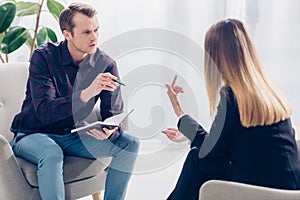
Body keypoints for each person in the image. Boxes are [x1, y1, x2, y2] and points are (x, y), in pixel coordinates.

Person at [10, 2, 139, 200]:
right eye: (86, 32)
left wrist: (111, 128)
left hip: (73, 134)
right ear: (67, 34)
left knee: (129, 144)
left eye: (96, 30)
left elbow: (111, 114)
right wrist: (87, 93)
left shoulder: (105, 64)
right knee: (52, 153)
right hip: (32, 133)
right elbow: (45, 111)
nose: (94, 37)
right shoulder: (43, 58)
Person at [162, 18, 300, 200]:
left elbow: (208, 151)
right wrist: (189, 135)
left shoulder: (232, 96)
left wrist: (180, 114)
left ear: (215, 57)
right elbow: (225, 145)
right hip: (289, 185)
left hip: (262, 186)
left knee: (196, 160)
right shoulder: (268, 90)